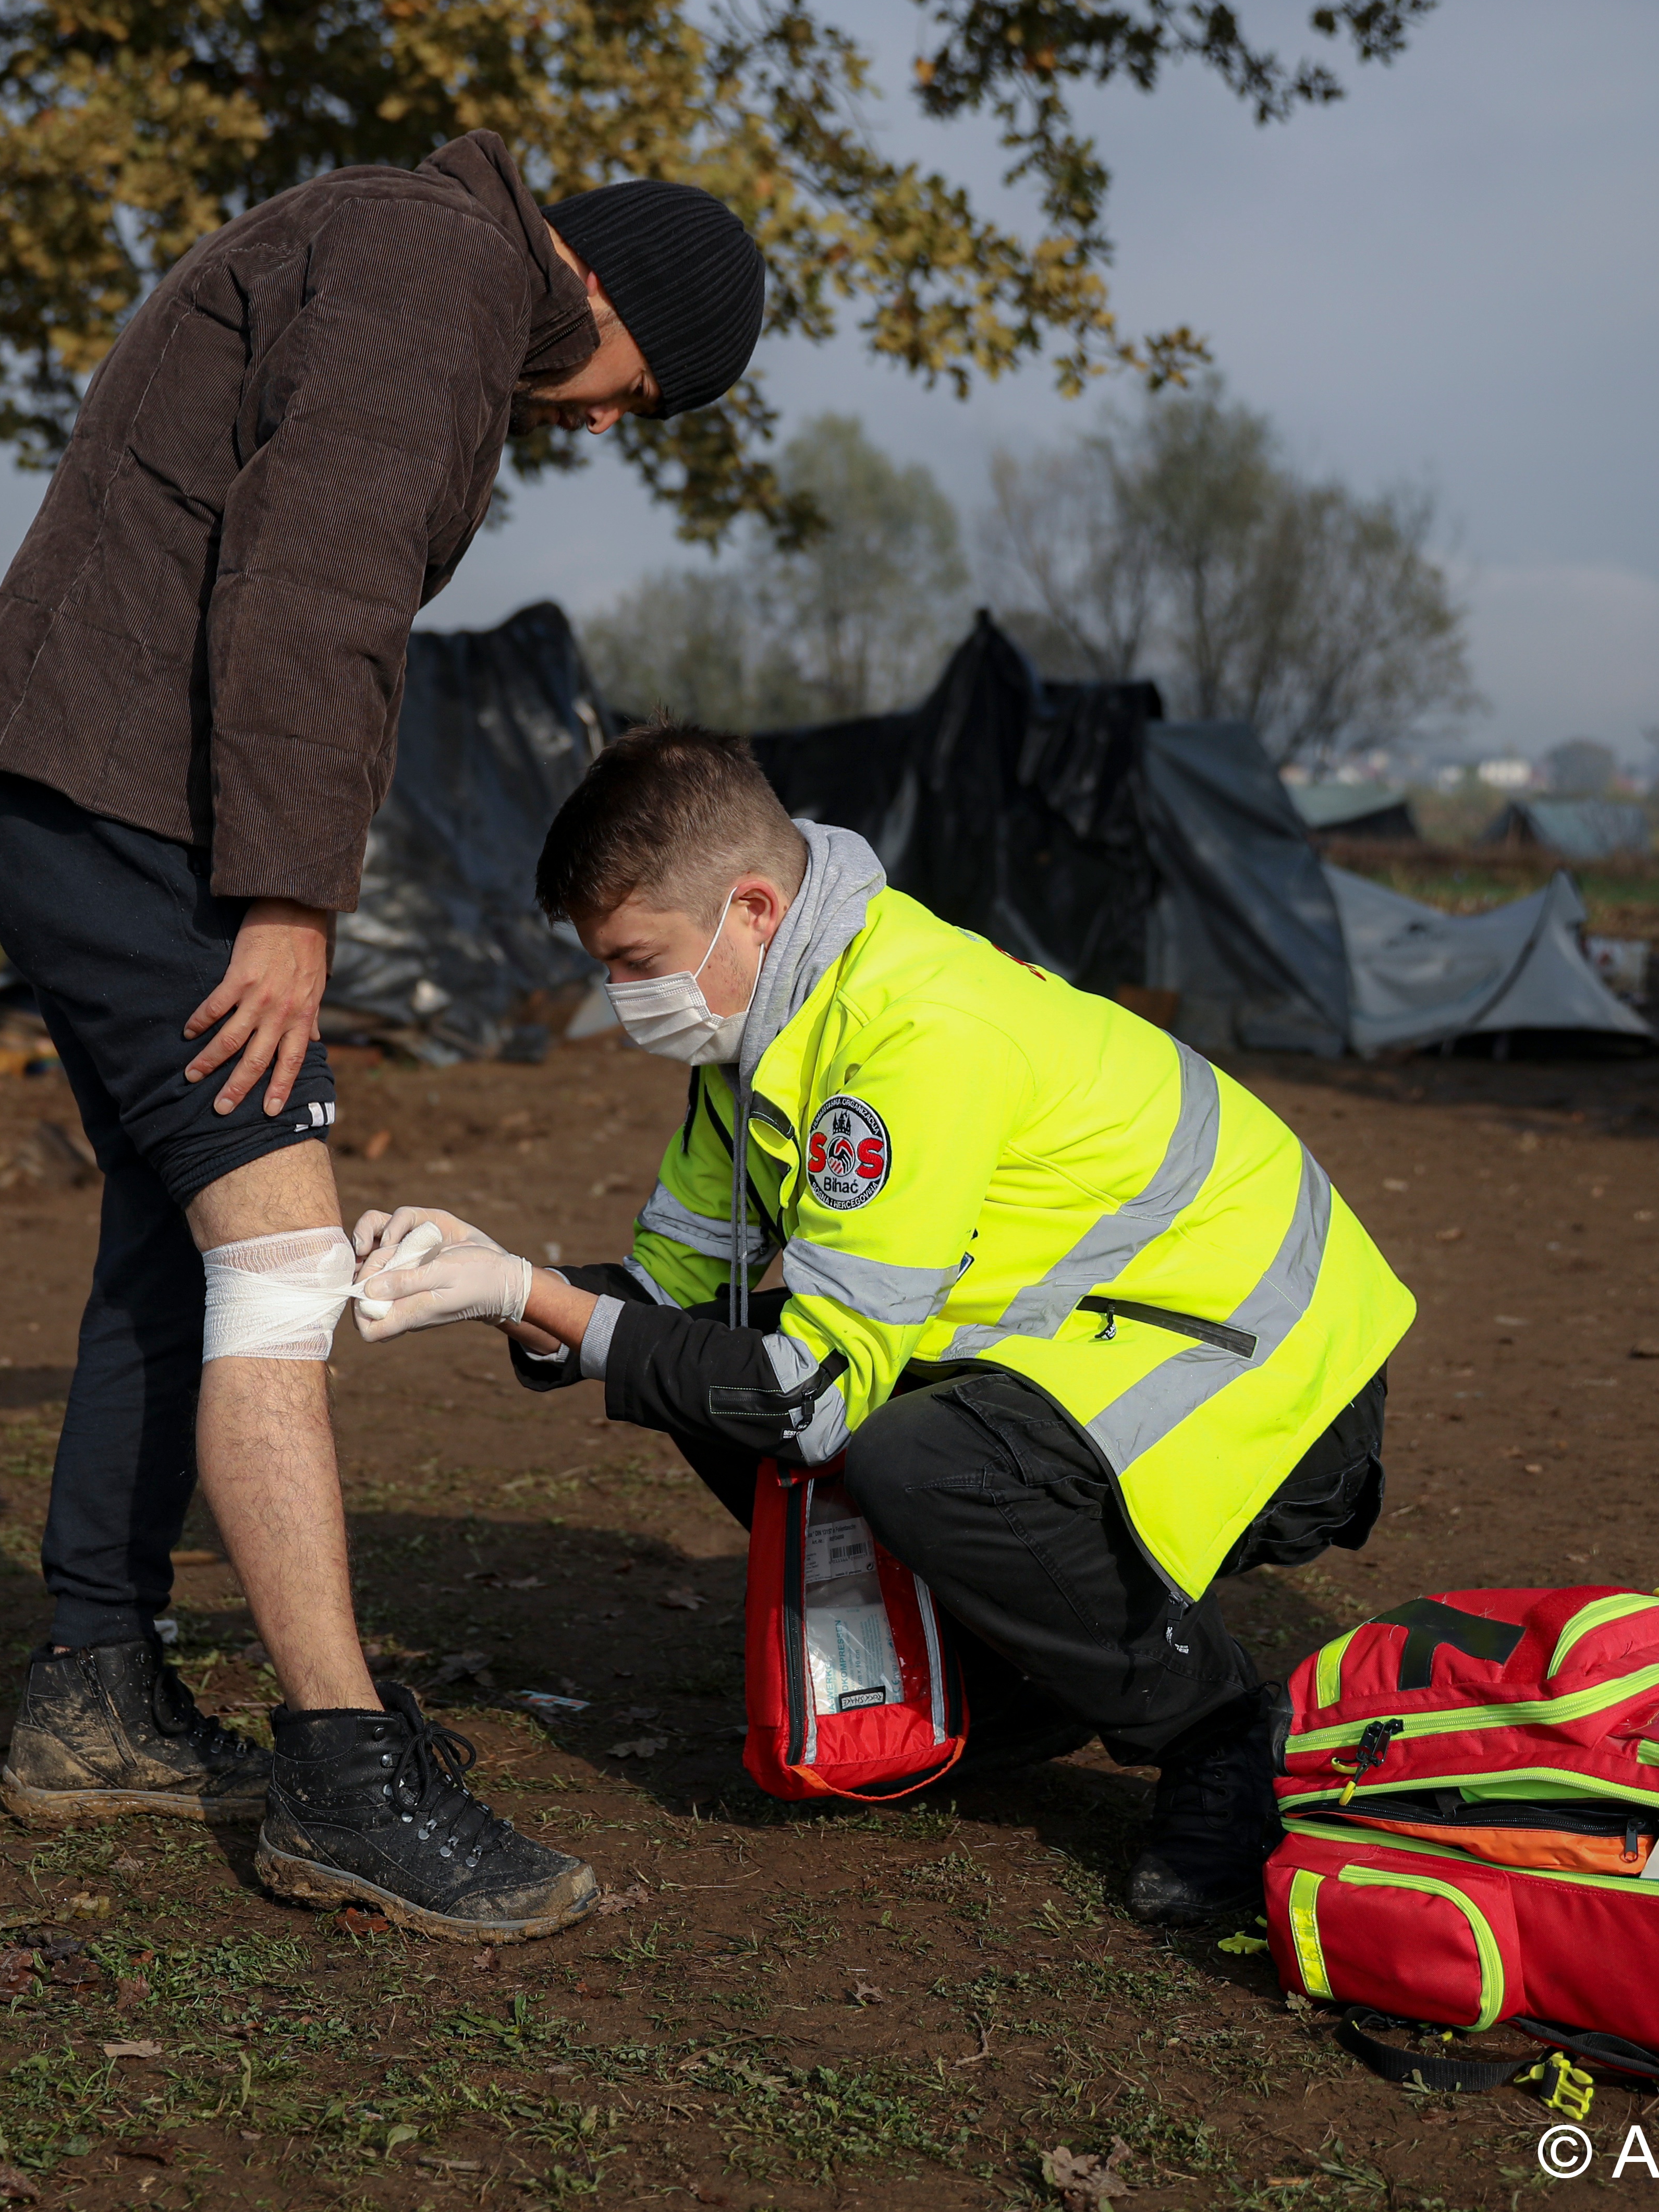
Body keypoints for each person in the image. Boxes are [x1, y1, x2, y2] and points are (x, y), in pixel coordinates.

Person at [0, 134, 767, 1945]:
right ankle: (340, 1771)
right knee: (285, 1271)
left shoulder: (401, 249)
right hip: (133, 813)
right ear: (609, 297)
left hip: (86, 793)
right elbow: (314, 588)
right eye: (646, 392)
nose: (615, 425)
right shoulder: (438, 273)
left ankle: (96, 1693)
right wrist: (293, 905)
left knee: (183, 1241)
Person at [347, 725, 1414, 1925]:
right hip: (1111, 1338)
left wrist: (531, 1299)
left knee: (897, 1448)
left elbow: (806, 1397)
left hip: (1278, 1383)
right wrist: (503, 1275)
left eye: (634, 959)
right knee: (716, 1375)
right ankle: (1018, 1674)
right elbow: (672, 1308)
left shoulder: (913, 1030)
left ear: (752, 907)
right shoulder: (761, 1044)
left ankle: (1219, 1734)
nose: (620, 996)